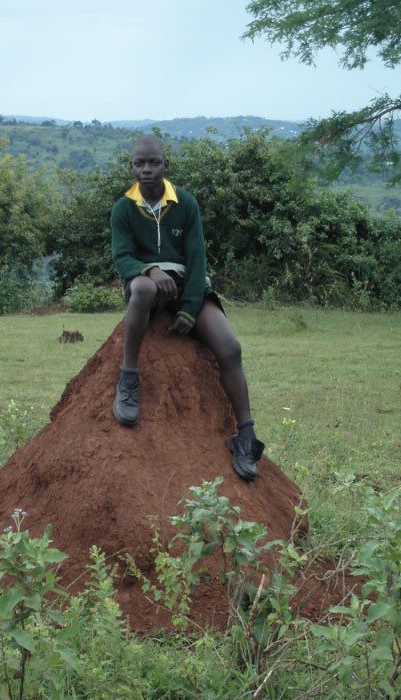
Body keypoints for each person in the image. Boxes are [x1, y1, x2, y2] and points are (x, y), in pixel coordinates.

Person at [110, 135, 264, 481]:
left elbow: (198, 261)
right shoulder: (123, 209)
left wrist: (190, 309)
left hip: (188, 288)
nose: (146, 169)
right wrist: (150, 270)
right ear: (131, 166)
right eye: (139, 163)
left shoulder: (186, 204)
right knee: (144, 289)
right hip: (145, 286)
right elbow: (122, 259)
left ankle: (246, 435)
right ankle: (129, 378)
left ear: (166, 165)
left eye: (154, 163)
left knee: (230, 347)